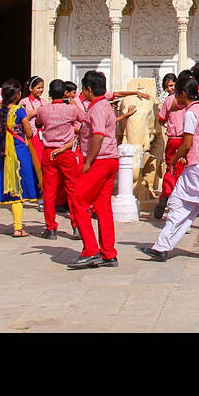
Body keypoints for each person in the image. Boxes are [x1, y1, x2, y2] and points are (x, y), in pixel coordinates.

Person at [142, 74, 199, 262]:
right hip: (197, 166)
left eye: (176, 93)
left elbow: (186, 143)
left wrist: (174, 159)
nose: (174, 97)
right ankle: (162, 246)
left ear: (184, 94)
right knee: (180, 205)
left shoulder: (192, 113)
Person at [68, 71, 124, 269]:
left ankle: (91, 250)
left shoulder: (98, 108)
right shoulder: (103, 106)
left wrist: (87, 161)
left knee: (78, 201)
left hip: (99, 159)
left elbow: (98, 136)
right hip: (109, 159)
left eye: (83, 89)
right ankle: (108, 252)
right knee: (102, 206)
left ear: (89, 89)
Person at [26, 79, 85, 239]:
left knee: (49, 192)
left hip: (49, 151)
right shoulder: (71, 110)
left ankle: (51, 227)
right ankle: (77, 226)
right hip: (66, 151)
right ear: (65, 93)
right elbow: (85, 120)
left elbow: (38, 124)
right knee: (72, 189)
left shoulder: (44, 110)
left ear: (50, 94)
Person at [0, 78, 41, 238]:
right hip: (18, 154)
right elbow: (29, 133)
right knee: (17, 189)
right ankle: (17, 228)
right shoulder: (19, 111)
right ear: (17, 95)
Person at [154, 74, 189, 220]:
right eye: (168, 86)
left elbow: (161, 119)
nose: (171, 88)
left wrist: (168, 124)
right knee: (182, 171)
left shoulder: (169, 100)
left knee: (171, 168)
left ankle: (166, 194)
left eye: (172, 85)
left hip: (173, 139)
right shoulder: (187, 100)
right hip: (185, 138)